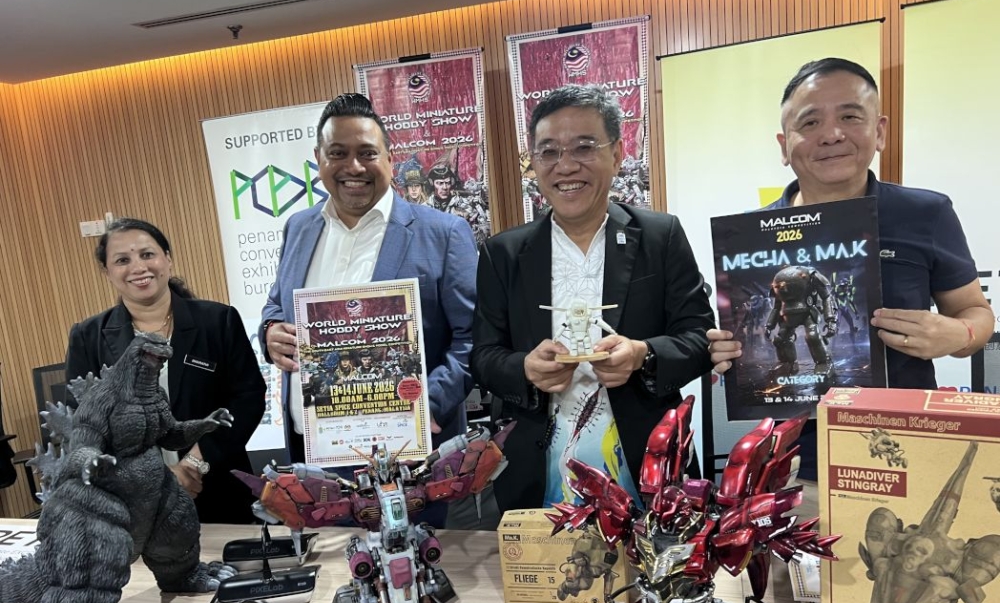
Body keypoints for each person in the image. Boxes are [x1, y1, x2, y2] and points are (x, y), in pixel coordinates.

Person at [470, 84, 714, 520]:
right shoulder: (502, 253)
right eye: (548, 152)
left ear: (618, 153)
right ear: (533, 164)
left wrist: (643, 355)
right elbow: (484, 356)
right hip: (539, 467)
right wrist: (525, 368)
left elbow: (700, 338)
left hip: (647, 460)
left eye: (584, 147)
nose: (566, 165)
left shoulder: (661, 236)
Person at [708, 58, 994, 387]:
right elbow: (757, 315)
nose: (832, 135)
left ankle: (824, 365)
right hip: (791, 431)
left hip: (897, 430)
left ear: (880, 131)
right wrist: (727, 350)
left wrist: (960, 334)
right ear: (784, 146)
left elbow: (975, 311)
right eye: (810, 123)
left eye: (849, 117)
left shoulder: (926, 213)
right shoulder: (752, 234)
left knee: (815, 338)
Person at [260, 93, 477, 463]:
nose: (353, 167)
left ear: (389, 160)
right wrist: (270, 332)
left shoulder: (443, 233)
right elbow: (277, 304)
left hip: (409, 453)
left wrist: (429, 401)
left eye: (367, 153)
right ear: (319, 159)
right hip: (315, 454)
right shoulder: (298, 227)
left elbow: (473, 338)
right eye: (338, 153)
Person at [66, 217, 266, 524]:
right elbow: (84, 424)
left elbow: (248, 399)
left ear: (167, 259)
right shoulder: (88, 337)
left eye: (147, 254)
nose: (138, 267)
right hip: (131, 503)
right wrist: (150, 478)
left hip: (216, 490)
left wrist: (194, 464)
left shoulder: (218, 321)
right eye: (122, 260)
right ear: (107, 273)